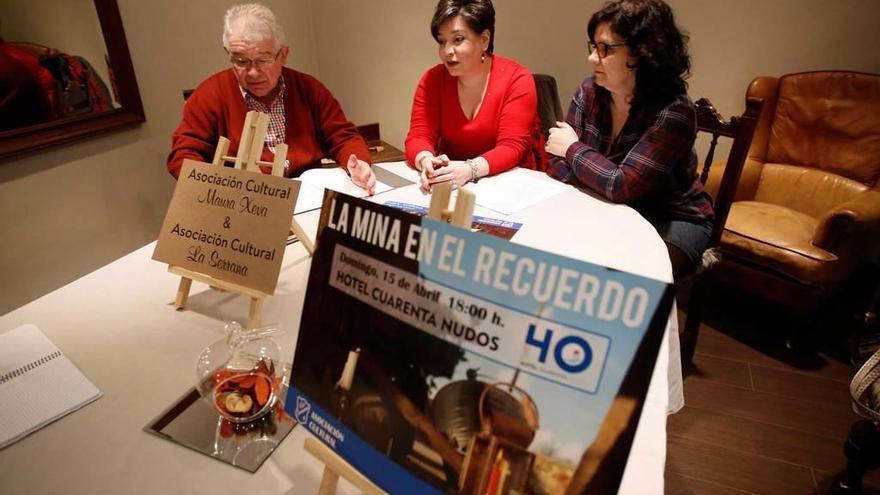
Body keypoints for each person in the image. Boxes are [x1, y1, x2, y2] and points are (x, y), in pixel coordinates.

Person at [544, 0, 713, 281]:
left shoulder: (675, 110)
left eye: (605, 49)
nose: (592, 58)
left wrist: (573, 148)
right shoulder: (589, 91)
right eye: (593, 46)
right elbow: (554, 162)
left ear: (644, 52)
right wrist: (599, 178)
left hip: (672, 217)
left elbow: (622, 186)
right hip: (605, 207)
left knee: (622, 284)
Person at [168, 3, 376, 194]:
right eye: (241, 61)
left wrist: (356, 163)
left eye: (263, 60)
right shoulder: (209, 95)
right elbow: (184, 155)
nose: (252, 73)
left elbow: (344, 136)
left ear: (283, 54)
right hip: (243, 202)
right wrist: (215, 190)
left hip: (307, 195)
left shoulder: (308, 88)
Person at [405, 0, 545, 191]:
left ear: (484, 40)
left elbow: (512, 146)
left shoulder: (517, 78)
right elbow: (418, 136)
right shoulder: (432, 80)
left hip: (512, 184)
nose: (447, 51)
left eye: (458, 39)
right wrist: (425, 159)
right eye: (442, 41)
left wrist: (469, 170)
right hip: (454, 184)